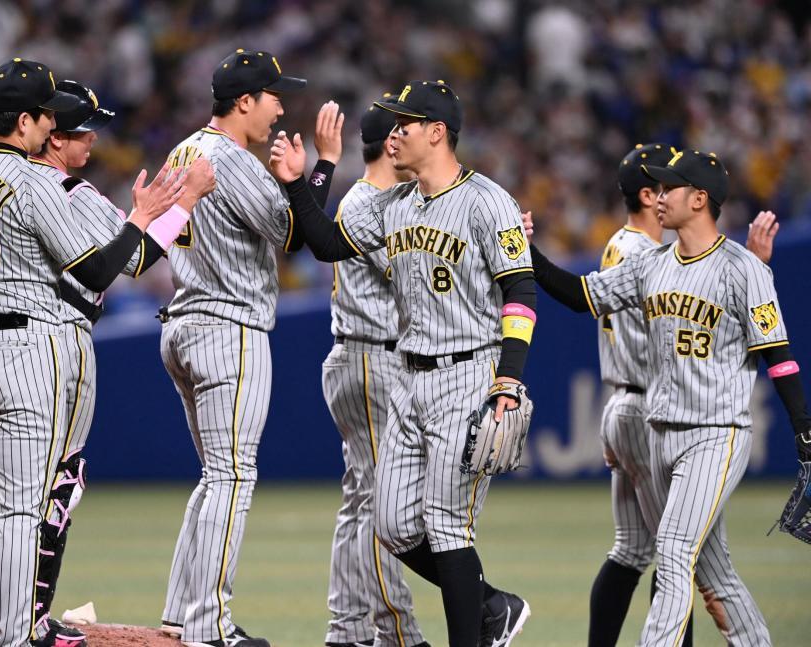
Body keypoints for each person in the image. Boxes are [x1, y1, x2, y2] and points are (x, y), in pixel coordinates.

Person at [0, 58, 187, 647]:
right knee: (21, 512)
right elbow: (102, 267)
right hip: (29, 351)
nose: (50, 125)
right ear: (25, 119)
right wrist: (142, 218)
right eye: (46, 115)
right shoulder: (33, 181)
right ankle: (14, 636)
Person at [269, 80, 536, 647]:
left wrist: (509, 377)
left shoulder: (489, 202)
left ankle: (478, 628)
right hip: (408, 377)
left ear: (437, 133)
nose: (392, 136)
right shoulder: (395, 204)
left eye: (403, 126)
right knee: (391, 525)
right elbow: (324, 243)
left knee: (445, 525)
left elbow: (521, 293)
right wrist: (298, 184)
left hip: (469, 372)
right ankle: (495, 606)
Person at [525, 149, 810, 646]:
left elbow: (778, 355)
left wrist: (803, 427)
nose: (659, 196)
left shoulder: (743, 269)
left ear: (699, 199)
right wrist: (525, 255)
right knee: (712, 571)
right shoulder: (651, 264)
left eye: (670, 188)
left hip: (715, 433)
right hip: (658, 433)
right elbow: (581, 295)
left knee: (674, 550)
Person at [156, 49, 341, 647]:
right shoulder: (230, 158)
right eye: (274, 96)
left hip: (185, 320)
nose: (281, 105)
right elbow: (291, 235)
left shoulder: (184, 148)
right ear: (244, 102)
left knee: (215, 478)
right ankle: (208, 626)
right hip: (226, 327)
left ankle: (180, 614)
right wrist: (312, 172)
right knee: (232, 477)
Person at [321, 97, 427, 647]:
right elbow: (419, 274)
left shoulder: (388, 202)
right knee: (387, 505)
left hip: (367, 357)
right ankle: (398, 633)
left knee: (364, 501)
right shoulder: (370, 204)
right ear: (391, 143)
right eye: (407, 130)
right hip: (371, 356)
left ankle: (346, 629)